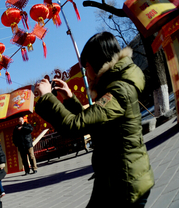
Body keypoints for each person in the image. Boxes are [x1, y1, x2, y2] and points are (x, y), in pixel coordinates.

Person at [34, 32, 154, 208]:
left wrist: (46, 97)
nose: (86, 71)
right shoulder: (117, 86)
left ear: (98, 62)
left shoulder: (119, 90)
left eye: (87, 65)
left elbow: (74, 126)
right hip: (113, 179)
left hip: (125, 185)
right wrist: (69, 98)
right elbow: (93, 120)